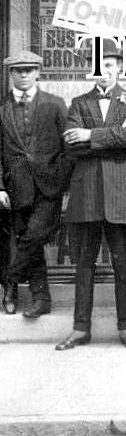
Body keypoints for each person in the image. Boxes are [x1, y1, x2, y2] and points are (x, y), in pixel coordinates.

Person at [56, 38, 126, 351]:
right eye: (98, 66)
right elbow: (71, 143)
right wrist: (108, 137)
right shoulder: (78, 103)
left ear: (119, 67)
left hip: (121, 194)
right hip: (86, 195)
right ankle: (80, 328)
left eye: (109, 65)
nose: (103, 72)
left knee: (124, 265)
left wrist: (90, 135)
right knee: (83, 264)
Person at [0, 50, 68, 319]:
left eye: (29, 69)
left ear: (38, 72)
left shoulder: (55, 104)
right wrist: (0, 188)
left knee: (33, 236)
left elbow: (68, 147)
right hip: (15, 187)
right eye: (19, 70)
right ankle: (41, 298)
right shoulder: (2, 108)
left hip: (49, 186)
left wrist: (62, 180)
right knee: (30, 241)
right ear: (11, 74)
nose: (25, 74)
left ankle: (10, 281)